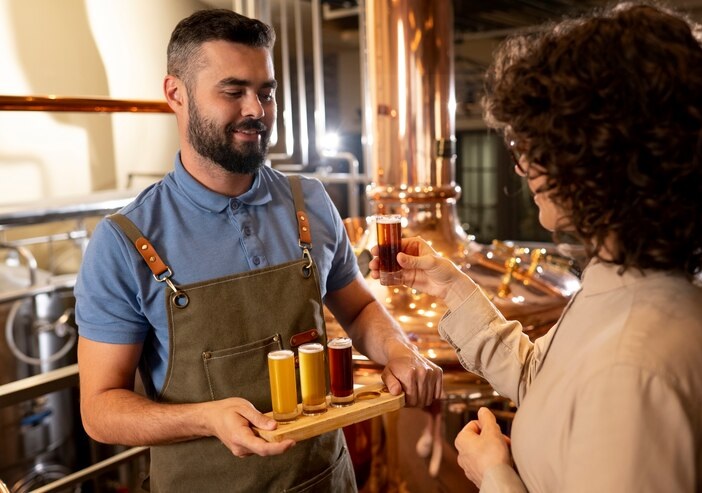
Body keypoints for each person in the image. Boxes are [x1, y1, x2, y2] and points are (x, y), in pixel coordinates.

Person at [370, 2, 702, 492]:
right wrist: (450, 286)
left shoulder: (632, 365)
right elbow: (538, 377)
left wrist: (495, 474)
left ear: (608, 160)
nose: (522, 168)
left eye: (541, 146)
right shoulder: (637, 278)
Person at [74, 9, 442, 492]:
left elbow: (359, 308)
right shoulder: (124, 240)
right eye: (233, 91)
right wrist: (207, 418)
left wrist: (398, 350)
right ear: (175, 94)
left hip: (325, 480)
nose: (257, 110)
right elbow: (100, 409)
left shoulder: (308, 201)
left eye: (265, 92)